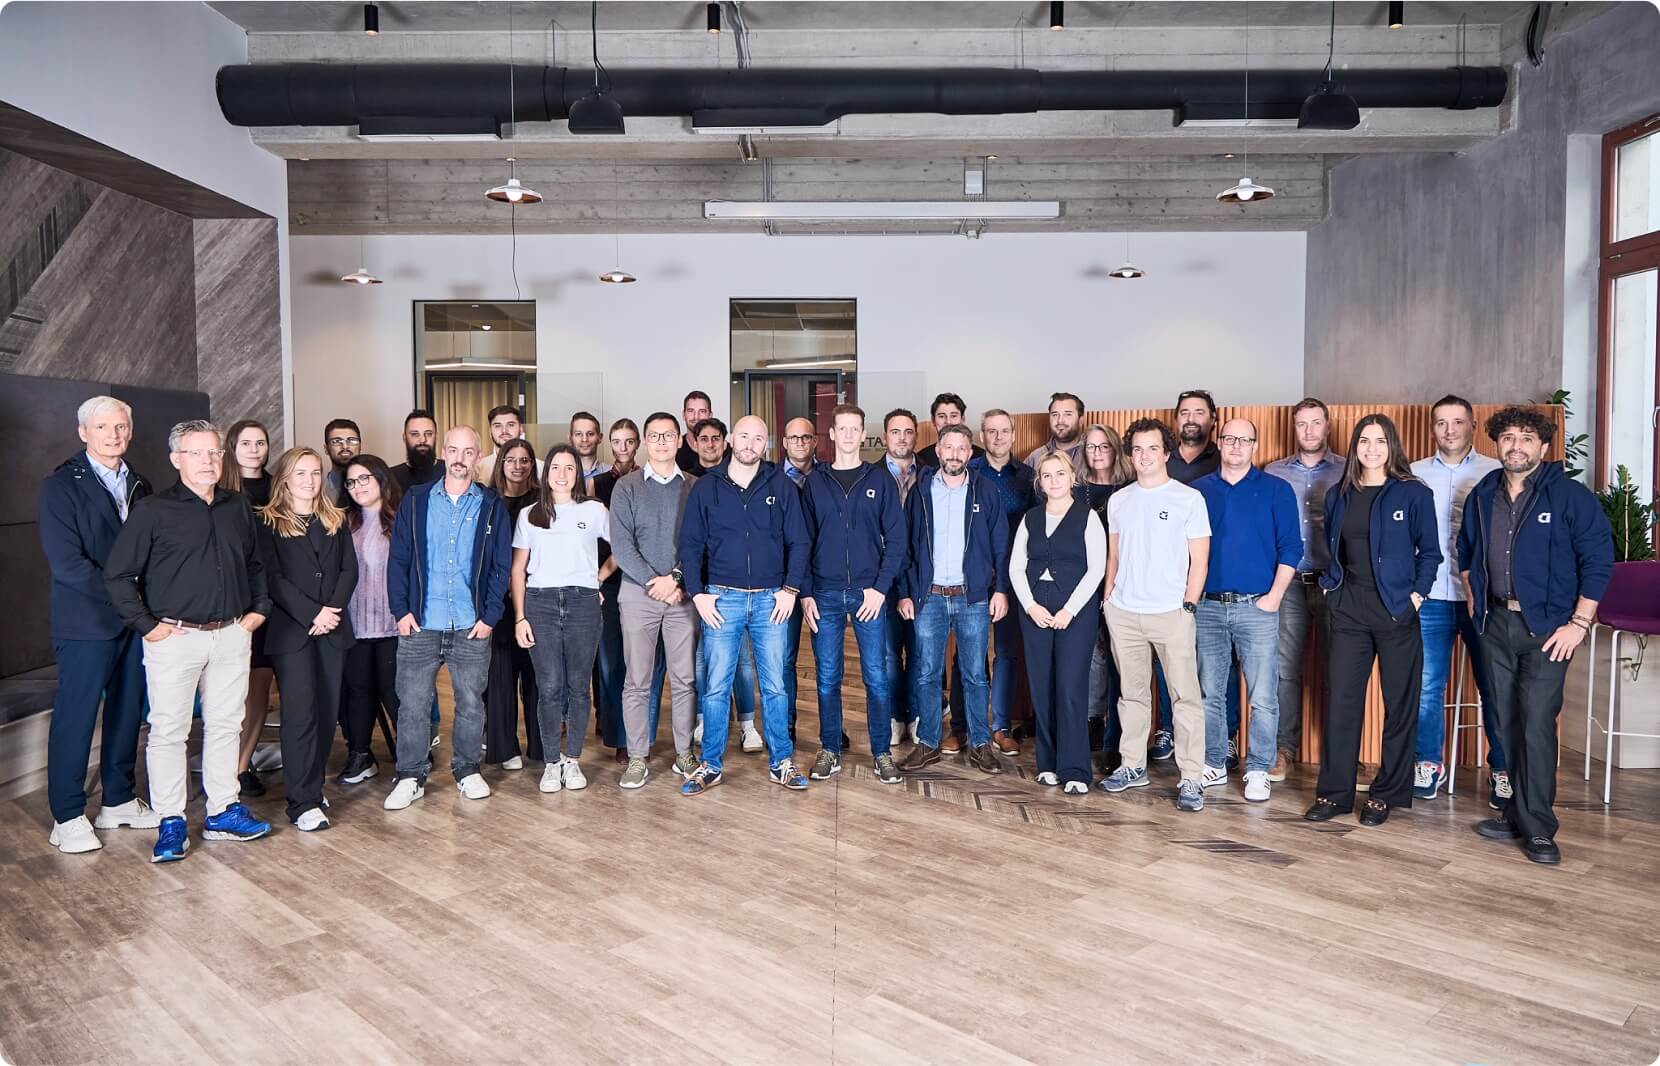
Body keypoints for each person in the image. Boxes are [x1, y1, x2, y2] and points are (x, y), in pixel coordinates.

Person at [105, 419, 273, 861]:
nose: (207, 461)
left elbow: (255, 564)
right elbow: (118, 576)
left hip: (232, 633)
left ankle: (222, 811)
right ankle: (171, 821)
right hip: (173, 638)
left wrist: (258, 610)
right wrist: (148, 626)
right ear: (176, 459)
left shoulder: (237, 507)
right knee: (168, 731)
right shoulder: (153, 511)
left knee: (226, 725)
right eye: (196, 453)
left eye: (214, 452)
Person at [1465, 407, 1612, 863]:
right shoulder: (1483, 493)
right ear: (1496, 443)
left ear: (1544, 447)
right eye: (1508, 437)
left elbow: (1598, 561)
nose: (1516, 446)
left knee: (1535, 722)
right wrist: (1474, 600)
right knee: (1504, 721)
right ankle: (1516, 812)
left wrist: (1579, 624)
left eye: (1527, 438)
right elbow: (1467, 552)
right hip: (1495, 623)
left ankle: (1540, 827)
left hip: (1549, 630)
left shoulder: (1570, 497)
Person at [1304, 414, 1441, 827]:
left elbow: (1430, 553)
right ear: (1355, 447)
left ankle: (1386, 794)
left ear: (1391, 446)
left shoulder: (1413, 493)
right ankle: (1334, 794)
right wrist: (1331, 589)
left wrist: (1416, 596)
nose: (1372, 449)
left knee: (1400, 705)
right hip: (1348, 608)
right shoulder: (1339, 494)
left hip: (1396, 609)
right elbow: (1331, 548)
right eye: (1364, 441)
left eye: (1380, 441)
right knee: (1342, 702)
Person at [39, 395, 158, 854]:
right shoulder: (60, 487)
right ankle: (67, 815)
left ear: (130, 430)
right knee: (77, 716)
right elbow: (68, 565)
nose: (113, 434)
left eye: (121, 426)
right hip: (86, 621)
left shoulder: (141, 483)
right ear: (83, 432)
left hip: (134, 622)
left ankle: (119, 799)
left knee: (128, 711)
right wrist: (129, 600)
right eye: (103, 427)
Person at [677, 414, 812, 795]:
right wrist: (698, 593)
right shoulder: (707, 487)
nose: (750, 444)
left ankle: (781, 762)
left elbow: (799, 541)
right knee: (716, 687)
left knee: (775, 686)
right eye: (744, 437)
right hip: (722, 599)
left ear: (765, 445)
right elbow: (690, 544)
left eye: (758, 438)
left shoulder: (781, 486)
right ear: (731, 441)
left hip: (772, 600)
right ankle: (710, 765)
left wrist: (790, 589)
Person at [382, 426, 512, 811]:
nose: (459, 458)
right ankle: (410, 775)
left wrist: (491, 615)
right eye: (453, 450)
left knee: (470, 703)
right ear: (443, 453)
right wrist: (400, 610)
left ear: (478, 456)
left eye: (468, 452)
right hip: (420, 621)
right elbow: (399, 557)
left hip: (471, 623)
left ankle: (467, 770)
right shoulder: (417, 499)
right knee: (413, 705)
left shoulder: (491, 504)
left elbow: (500, 566)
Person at [1096, 419, 1211, 813]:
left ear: (1167, 453)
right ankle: (1132, 765)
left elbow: (1200, 560)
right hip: (1125, 612)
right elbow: (1114, 555)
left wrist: (1188, 604)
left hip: (1171, 613)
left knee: (1185, 698)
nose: (1144, 456)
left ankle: (1192, 777)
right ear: (1130, 455)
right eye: (1138, 449)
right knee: (1131, 695)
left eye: (1152, 448)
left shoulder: (1188, 499)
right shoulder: (1119, 500)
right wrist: (1109, 598)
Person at [1192, 419, 1301, 802]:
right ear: (1219, 442)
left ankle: (1257, 768)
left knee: (1263, 695)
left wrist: (1274, 597)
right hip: (1207, 607)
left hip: (1258, 606)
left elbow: (1292, 547)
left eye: (1245, 439)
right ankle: (1215, 761)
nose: (1236, 445)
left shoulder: (1276, 489)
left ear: (1255, 445)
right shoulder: (1198, 491)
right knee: (1209, 691)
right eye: (1230, 438)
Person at [1409, 395, 1508, 807]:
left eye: (1458, 422)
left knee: (1496, 685)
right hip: (1430, 596)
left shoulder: (1497, 472)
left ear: (1473, 425)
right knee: (1426, 686)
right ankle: (1428, 764)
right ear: (1432, 428)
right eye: (1441, 422)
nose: (1449, 430)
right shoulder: (1412, 474)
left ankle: (1503, 770)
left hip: (1481, 598)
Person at [800, 404, 907, 783]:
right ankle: (829, 748)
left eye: (854, 429)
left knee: (876, 677)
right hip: (824, 594)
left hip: (869, 594)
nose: (848, 435)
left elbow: (897, 540)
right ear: (831, 434)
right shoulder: (815, 482)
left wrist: (880, 589)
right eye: (841, 428)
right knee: (827, 677)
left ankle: (881, 753)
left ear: (863, 434)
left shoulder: (880, 480)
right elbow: (802, 542)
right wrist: (806, 593)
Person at [895, 424, 1010, 775]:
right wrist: (905, 592)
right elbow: (906, 547)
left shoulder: (985, 490)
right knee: (927, 674)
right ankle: (928, 743)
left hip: (972, 597)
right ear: (938, 451)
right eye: (949, 447)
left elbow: (1001, 545)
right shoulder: (921, 491)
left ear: (970, 453)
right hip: (929, 596)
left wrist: (1001, 590)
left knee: (975, 675)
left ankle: (980, 744)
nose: (955, 454)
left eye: (962, 448)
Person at [255, 446, 358, 832]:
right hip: (292, 632)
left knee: (327, 713)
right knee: (300, 715)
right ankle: (302, 803)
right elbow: (273, 578)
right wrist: (312, 613)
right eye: (300, 473)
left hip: (332, 629)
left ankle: (312, 786)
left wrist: (331, 611)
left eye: (315, 473)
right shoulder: (267, 522)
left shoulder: (335, 519)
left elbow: (349, 570)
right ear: (284, 479)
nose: (310, 480)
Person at [511, 444, 612, 794]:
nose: (562, 474)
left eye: (570, 468)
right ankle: (552, 763)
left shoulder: (594, 510)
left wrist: (598, 578)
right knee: (550, 686)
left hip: (583, 603)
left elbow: (622, 548)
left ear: (578, 474)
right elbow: (518, 569)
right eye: (556, 467)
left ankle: (573, 760)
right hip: (540, 604)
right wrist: (520, 617)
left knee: (579, 687)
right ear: (546, 472)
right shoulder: (529, 514)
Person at [609, 412, 699, 788]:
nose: (661, 442)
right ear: (645, 442)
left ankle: (684, 753)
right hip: (638, 592)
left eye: (668, 435)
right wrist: (654, 581)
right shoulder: (626, 487)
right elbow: (621, 544)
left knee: (685, 679)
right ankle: (636, 757)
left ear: (679, 440)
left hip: (682, 594)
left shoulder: (695, 486)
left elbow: (700, 542)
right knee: (637, 680)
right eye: (654, 436)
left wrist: (675, 578)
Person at [1011, 452, 1106, 794]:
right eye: (1047, 475)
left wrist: (1070, 610)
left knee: (1070, 687)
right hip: (1035, 610)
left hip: (1075, 613)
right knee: (1042, 687)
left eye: (1060, 474)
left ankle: (1076, 769)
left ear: (1072, 478)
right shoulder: (1030, 518)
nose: (1054, 481)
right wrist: (1030, 606)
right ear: (1040, 482)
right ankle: (1048, 764)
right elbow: (1016, 567)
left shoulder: (1087, 517)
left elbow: (1097, 569)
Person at [1263, 397, 1346, 781]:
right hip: (1290, 582)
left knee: (1339, 670)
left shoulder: (1348, 469)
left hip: (1335, 582)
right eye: (1302, 424)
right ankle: (1284, 750)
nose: (1309, 431)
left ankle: (1340, 754)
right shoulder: (1274, 472)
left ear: (1327, 426)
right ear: (1293, 428)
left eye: (1316, 423)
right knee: (1284, 670)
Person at [687, 414, 762, 750]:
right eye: (704, 438)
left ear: (725, 442)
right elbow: (690, 541)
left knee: (742, 660)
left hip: (734, 586)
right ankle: (705, 719)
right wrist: (694, 587)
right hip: (700, 587)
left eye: (716, 438)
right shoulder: (692, 481)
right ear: (694, 443)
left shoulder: (745, 476)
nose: (710, 444)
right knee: (705, 661)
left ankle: (747, 723)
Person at [968, 408, 1035, 755]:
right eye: (991, 431)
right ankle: (965, 725)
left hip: (1012, 578)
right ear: (982, 436)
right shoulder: (968, 472)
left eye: (1004, 431)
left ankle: (1001, 725)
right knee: (968, 655)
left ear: (1013, 435)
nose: (998, 437)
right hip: (973, 577)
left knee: (1007, 653)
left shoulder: (1027, 477)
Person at [219, 419, 278, 798]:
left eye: (261, 442)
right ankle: (221, 768)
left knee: (259, 687)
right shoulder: (219, 489)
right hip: (230, 602)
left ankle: (241, 768)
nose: (254, 449)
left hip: (271, 601)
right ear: (232, 447)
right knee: (229, 691)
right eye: (246, 443)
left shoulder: (278, 487)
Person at [340, 454, 403, 784]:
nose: (358, 486)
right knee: (359, 691)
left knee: (395, 692)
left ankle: (411, 756)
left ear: (381, 478)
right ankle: (361, 755)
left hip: (394, 624)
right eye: (352, 481)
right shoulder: (342, 523)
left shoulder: (402, 521)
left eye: (364, 478)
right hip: (354, 623)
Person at [484, 439, 543, 770]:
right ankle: (505, 748)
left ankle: (541, 745)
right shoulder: (488, 500)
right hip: (496, 598)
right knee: (500, 674)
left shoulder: (542, 500)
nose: (518, 466)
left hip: (535, 595)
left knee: (537, 673)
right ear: (501, 463)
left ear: (532, 465)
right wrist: (502, 583)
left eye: (524, 460)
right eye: (511, 459)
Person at [591, 418, 644, 762]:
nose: (623, 448)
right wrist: (595, 578)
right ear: (608, 444)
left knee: (638, 664)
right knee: (610, 663)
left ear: (637, 443)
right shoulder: (596, 484)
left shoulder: (646, 480)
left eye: (629, 441)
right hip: (606, 583)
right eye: (617, 442)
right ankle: (619, 736)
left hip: (638, 580)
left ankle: (638, 733)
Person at [1079, 424, 1132, 766]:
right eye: (1091, 447)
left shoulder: (1130, 491)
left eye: (1104, 446)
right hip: (1084, 586)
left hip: (1123, 585)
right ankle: (1091, 723)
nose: (1097, 453)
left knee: (1119, 662)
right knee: (1091, 657)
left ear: (1115, 450)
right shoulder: (1076, 491)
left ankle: (1117, 739)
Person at [882, 408, 922, 748]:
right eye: (895, 431)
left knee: (921, 652)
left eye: (908, 432)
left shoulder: (930, 475)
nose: (902, 438)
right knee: (889, 655)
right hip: (883, 577)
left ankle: (916, 715)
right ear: (885, 437)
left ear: (916, 437)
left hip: (921, 576)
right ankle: (896, 716)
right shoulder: (871, 476)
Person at [778, 415, 816, 742]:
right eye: (794, 437)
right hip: (784, 584)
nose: (800, 443)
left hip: (821, 582)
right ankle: (785, 727)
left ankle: (832, 730)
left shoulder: (828, 477)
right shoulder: (769, 479)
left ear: (815, 441)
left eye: (806, 437)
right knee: (784, 659)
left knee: (828, 664)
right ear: (784, 443)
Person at [915, 392, 986, 468]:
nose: (948, 422)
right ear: (933, 420)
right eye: (941, 416)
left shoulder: (982, 457)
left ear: (962, 419)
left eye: (953, 416)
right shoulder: (921, 459)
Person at [1022, 392, 1088, 470]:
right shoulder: (1035, 457)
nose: (1060, 421)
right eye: (1055, 414)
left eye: (1068, 414)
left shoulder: (1093, 454)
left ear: (1080, 421)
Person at [1168, 389, 1221, 483]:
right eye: (1184, 413)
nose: (1191, 419)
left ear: (1212, 419)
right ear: (1176, 419)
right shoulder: (1161, 459)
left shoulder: (1224, 460)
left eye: (1199, 413)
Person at [390, 409, 441, 492]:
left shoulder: (450, 472)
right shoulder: (391, 477)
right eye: (415, 434)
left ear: (436, 437)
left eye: (428, 434)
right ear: (404, 438)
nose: (422, 440)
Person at [474, 404, 524, 484]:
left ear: (521, 429)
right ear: (490, 431)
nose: (504, 431)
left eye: (511, 425)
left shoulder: (539, 468)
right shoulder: (477, 470)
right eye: (498, 426)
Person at [676, 390, 715, 474]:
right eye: (691, 411)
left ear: (710, 415)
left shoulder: (724, 450)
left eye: (702, 411)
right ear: (683, 415)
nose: (696, 417)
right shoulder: (674, 451)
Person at [322, 417, 361, 502]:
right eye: (336, 441)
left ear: (360, 446)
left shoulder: (376, 488)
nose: (345, 447)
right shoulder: (316, 492)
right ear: (326, 449)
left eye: (352, 441)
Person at [570, 411, 610, 480]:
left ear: (600, 438)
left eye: (590, 434)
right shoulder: (560, 475)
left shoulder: (612, 474)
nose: (584, 439)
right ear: (570, 439)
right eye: (578, 434)